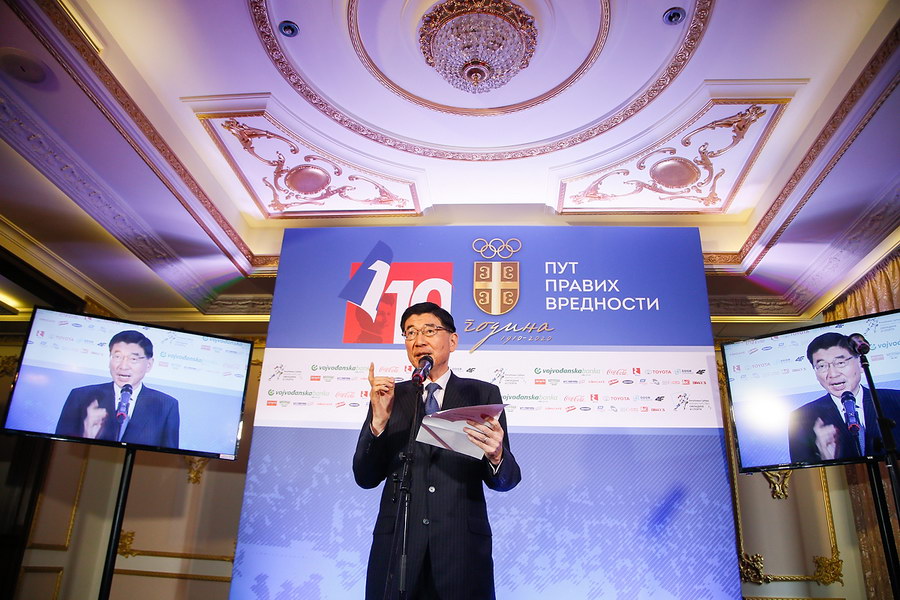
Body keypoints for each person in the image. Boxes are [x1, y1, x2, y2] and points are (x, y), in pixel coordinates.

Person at [353, 302, 521, 599]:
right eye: (410, 333)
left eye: (429, 331)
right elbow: (365, 478)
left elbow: (505, 481)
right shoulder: (391, 397)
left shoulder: (482, 394)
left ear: (452, 341)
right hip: (398, 548)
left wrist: (496, 456)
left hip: (461, 551)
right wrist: (378, 423)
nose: (419, 340)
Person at [788, 332, 900, 463]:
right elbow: (802, 470)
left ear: (860, 363)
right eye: (822, 366)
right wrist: (826, 459)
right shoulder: (801, 418)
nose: (833, 374)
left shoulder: (896, 400)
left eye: (840, 363)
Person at [55, 330, 179, 447]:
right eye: (117, 357)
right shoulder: (80, 396)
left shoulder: (166, 405)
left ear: (149, 364)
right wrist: (87, 435)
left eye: (133, 359)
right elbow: (60, 447)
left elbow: (168, 455)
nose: (123, 366)